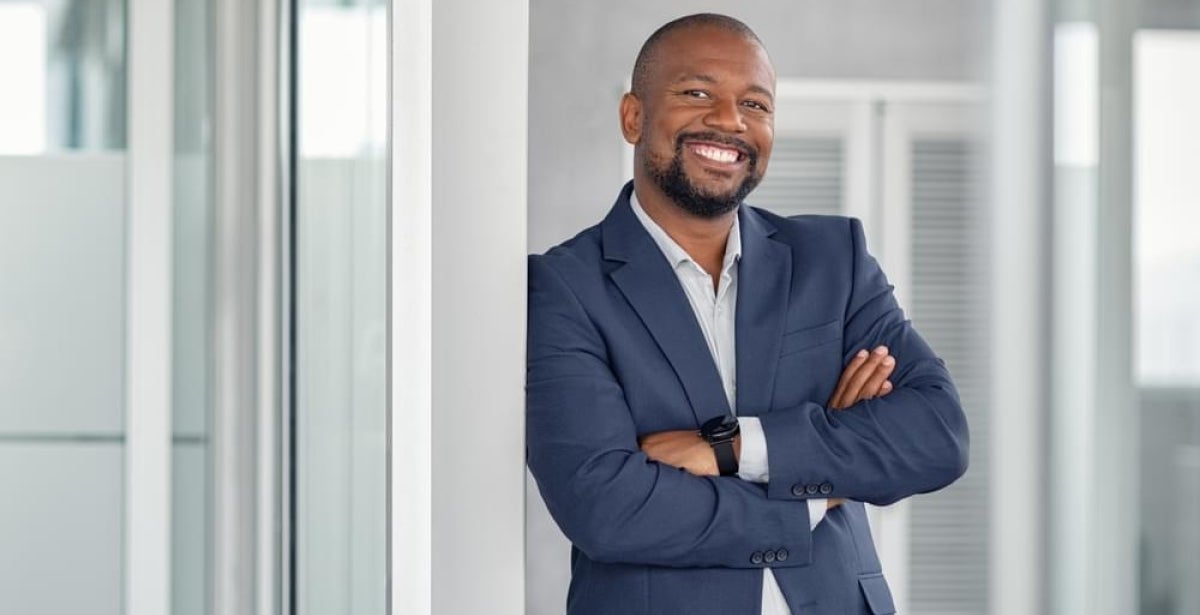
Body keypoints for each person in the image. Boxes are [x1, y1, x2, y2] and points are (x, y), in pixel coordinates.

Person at [526, 13, 969, 615]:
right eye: (697, 93)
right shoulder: (564, 288)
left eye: (756, 104)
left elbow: (936, 434)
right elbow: (607, 508)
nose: (730, 120)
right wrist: (821, 485)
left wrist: (735, 450)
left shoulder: (832, 261)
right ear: (634, 116)